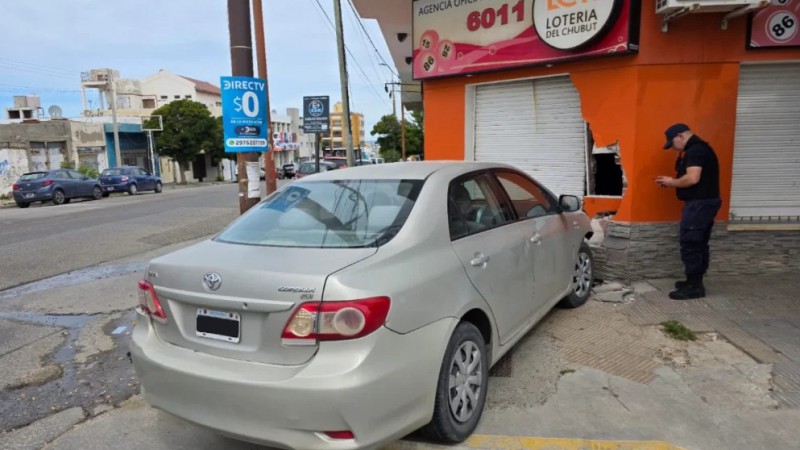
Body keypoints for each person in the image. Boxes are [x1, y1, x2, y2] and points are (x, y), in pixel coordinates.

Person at [655, 123, 721, 300]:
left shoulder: (696, 151)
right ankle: (694, 280)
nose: (672, 148)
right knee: (698, 243)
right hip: (704, 203)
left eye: (672, 144)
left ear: (680, 136)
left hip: (699, 205)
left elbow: (692, 178)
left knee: (691, 243)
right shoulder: (699, 149)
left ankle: (694, 286)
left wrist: (671, 182)